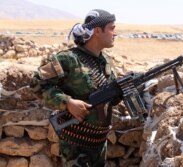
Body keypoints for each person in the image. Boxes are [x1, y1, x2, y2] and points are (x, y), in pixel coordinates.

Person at [30, 9, 118, 167]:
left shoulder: (107, 61)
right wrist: (67, 103)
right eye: (112, 28)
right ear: (98, 31)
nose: (115, 33)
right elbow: (36, 84)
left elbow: (111, 98)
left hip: (99, 142)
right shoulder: (68, 59)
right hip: (76, 145)